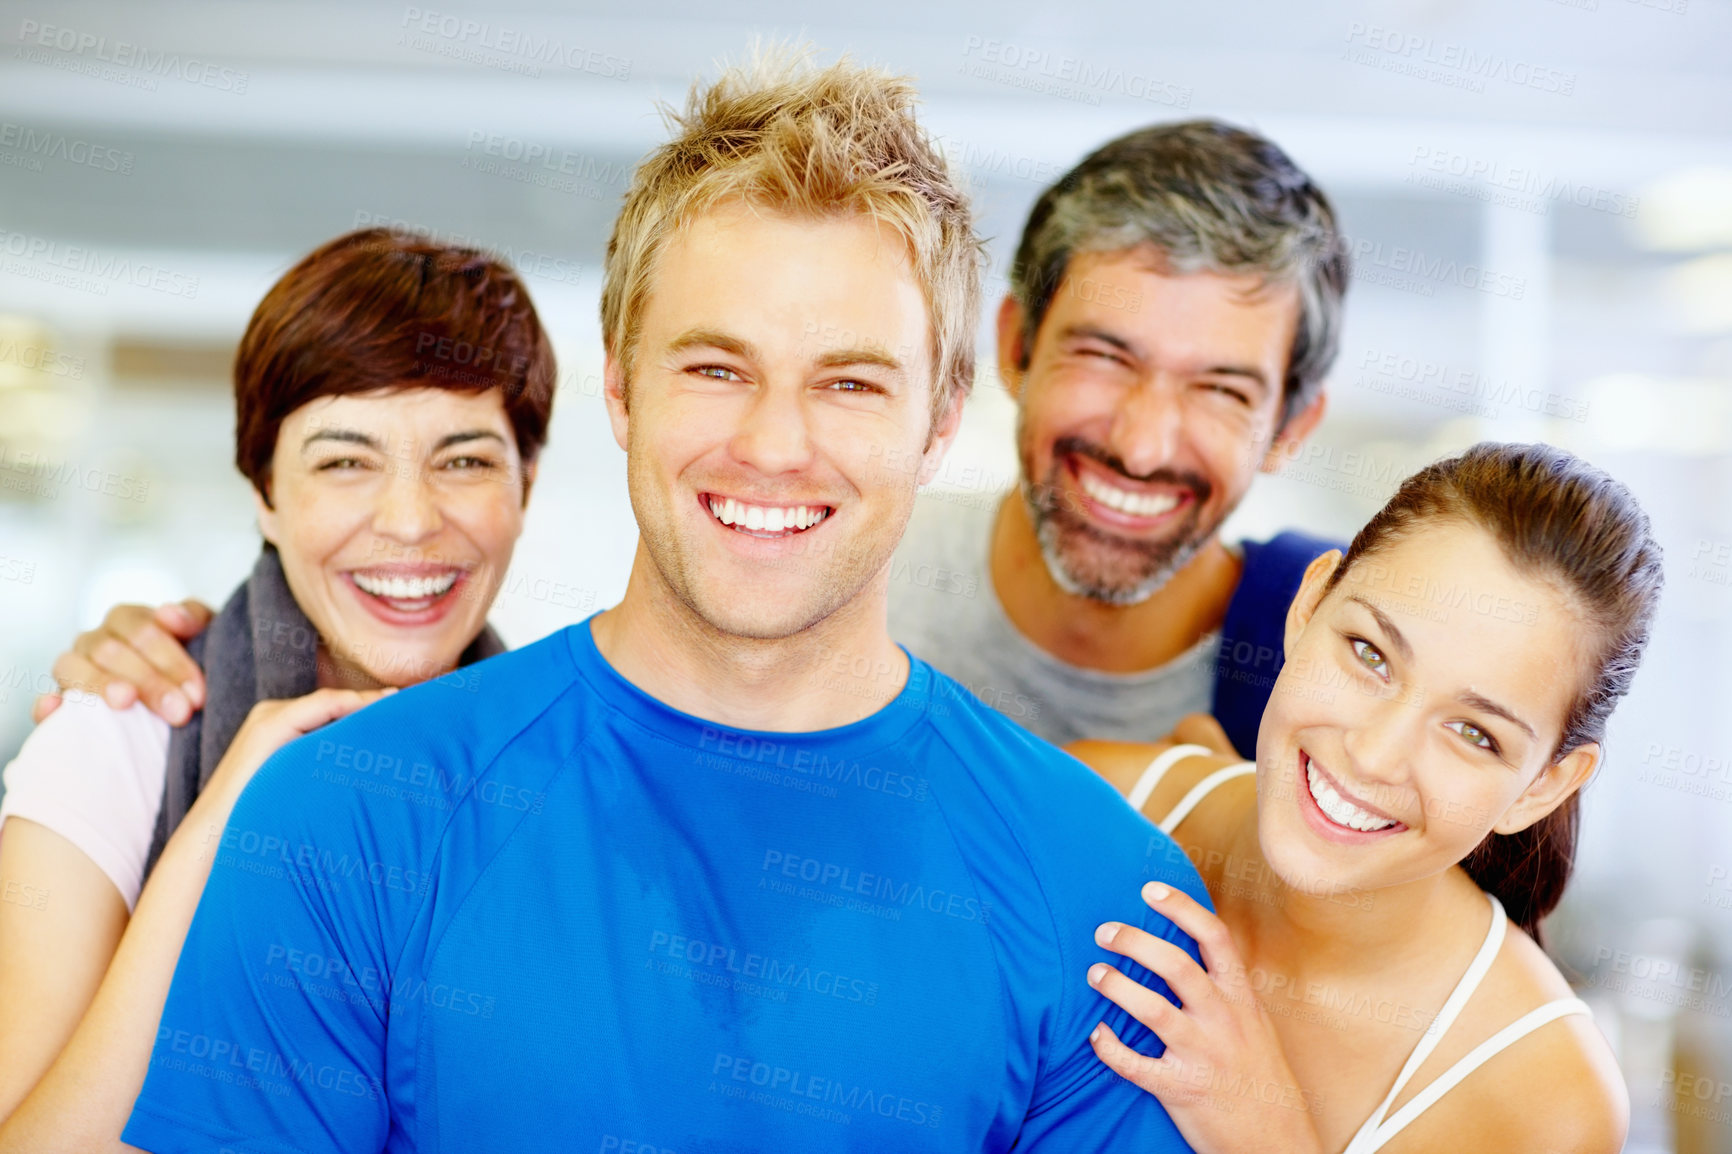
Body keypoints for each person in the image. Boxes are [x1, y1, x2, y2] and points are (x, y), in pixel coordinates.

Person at [115, 50, 1209, 1153]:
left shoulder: (1104, 899)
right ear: (622, 385)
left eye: (849, 382)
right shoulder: (348, 816)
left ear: (938, 420)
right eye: (715, 369)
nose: (774, 445)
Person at [0, 227, 556, 1149]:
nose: (411, 521)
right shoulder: (122, 734)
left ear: (525, 484)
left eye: (464, 460)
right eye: (344, 461)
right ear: (263, 489)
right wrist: (232, 818)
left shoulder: (553, 765)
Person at [1071, 442, 1657, 1153]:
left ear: (1543, 786)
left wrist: (1265, 1129)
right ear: (1310, 604)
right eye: (1370, 654)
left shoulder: (1543, 1100)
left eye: (1473, 732)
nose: (1375, 754)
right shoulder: (1095, 799)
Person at [888, 120, 1348, 754]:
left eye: (1220, 391)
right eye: (1105, 357)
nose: (1141, 448)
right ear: (1017, 347)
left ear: (1289, 428)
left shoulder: (1340, 691)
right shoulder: (847, 572)